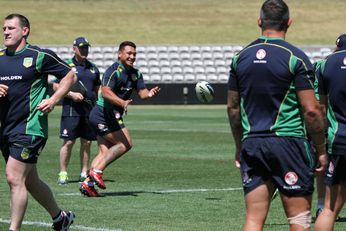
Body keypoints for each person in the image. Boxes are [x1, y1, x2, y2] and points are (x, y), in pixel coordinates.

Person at [226, 1, 328, 230]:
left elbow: (232, 108)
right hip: (289, 144)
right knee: (299, 221)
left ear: (259, 22)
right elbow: (311, 111)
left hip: (253, 144)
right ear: (289, 23)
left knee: (253, 218)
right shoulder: (296, 58)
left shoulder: (239, 58)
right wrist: (321, 150)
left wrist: (239, 145)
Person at [0, 14, 77, 231]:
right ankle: (60, 218)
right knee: (31, 181)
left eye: (11, 28)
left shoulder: (39, 56)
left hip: (30, 129)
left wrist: (53, 100)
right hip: (7, 128)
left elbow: (70, 76)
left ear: (24, 31)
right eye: (4, 28)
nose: (6, 32)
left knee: (14, 178)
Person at [79, 41, 160, 197]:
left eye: (134, 54)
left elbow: (142, 92)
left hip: (109, 115)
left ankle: (88, 184)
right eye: (129, 53)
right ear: (119, 54)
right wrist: (122, 102)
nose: (132, 56)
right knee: (126, 143)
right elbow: (106, 91)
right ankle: (96, 171)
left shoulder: (136, 74)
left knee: (104, 152)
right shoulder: (113, 71)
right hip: (102, 114)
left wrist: (149, 94)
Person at [53, 37, 101, 185]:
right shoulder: (66, 66)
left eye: (86, 47)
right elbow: (55, 86)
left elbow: (98, 88)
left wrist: (99, 104)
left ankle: (83, 172)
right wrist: (71, 95)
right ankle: (63, 173)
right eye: (81, 47)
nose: (84, 50)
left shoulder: (93, 68)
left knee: (87, 142)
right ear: (74, 49)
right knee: (68, 142)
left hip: (89, 110)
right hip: (71, 110)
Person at [314, 34, 346, 230]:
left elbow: (320, 107)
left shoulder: (325, 64)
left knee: (329, 209)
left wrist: (320, 140)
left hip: (339, 140)